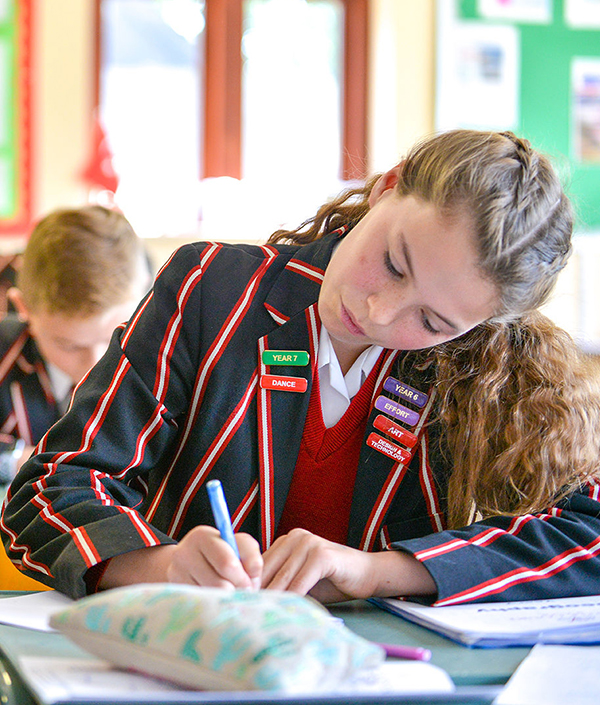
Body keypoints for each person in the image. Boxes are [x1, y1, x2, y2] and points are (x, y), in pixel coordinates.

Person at [3, 130, 600, 606]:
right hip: (195, 663)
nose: (379, 311)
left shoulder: (484, 368)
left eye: (434, 323)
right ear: (386, 188)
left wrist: (376, 573)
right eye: (393, 264)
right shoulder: (213, 290)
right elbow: (50, 488)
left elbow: (588, 534)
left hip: (387, 681)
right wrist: (160, 565)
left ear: (478, 327)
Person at [0, 204, 152, 486]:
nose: (96, 363)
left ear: (145, 297)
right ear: (24, 309)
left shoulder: (166, 360)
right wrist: (18, 460)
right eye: (68, 346)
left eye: (116, 336)